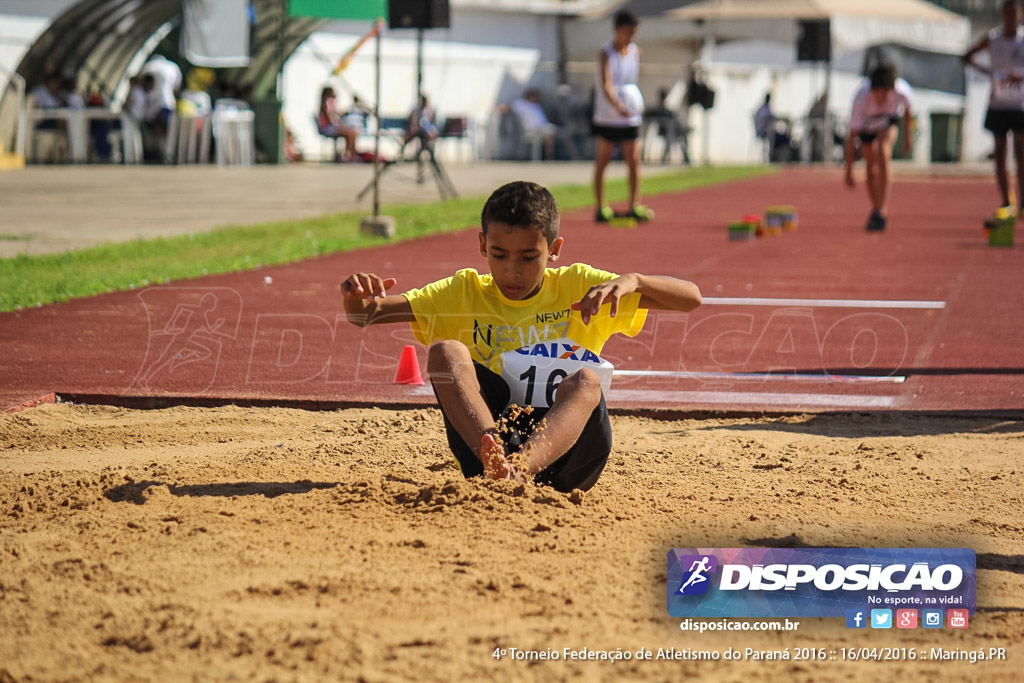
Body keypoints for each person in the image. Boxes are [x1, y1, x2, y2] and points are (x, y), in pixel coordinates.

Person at [339, 181, 702, 492]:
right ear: (482, 245)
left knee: (587, 379)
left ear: (554, 250)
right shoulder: (463, 291)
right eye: (499, 255)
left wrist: (635, 280)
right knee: (446, 352)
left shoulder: (579, 285)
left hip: (570, 458)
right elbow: (365, 316)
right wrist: (354, 293)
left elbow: (692, 299)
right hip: (486, 454)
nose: (512, 271)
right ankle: (496, 456)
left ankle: (519, 470)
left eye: (529, 257)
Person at [963, 0, 1024, 216]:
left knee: (1021, 151)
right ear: (1002, 14)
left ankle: (1023, 202)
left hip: (1020, 105)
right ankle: (1007, 200)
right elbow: (966, 56)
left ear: (1020, 14)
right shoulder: (993, 39)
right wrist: (989, 73)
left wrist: (1020, 77)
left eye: (1014, 13)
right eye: (1007, 13)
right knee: (1000, 152)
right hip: (998, 103)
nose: (1010, 17)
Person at [592, 10, 652, 223]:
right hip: (608, 116)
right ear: (617, 30)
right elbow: (606, 84)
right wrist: (617, 104)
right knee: (603, 160)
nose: (632, 36)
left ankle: (634, 204)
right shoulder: (606, 53)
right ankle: (601, 206)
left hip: (630, 117)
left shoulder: (635, 51)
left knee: (633, 159)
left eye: (634, 32)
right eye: (628, 31)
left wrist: (631, 104)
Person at [843, 64, 914, 231]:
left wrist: (908, 138)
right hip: (867, 126)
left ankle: (882, 210)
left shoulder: (903, 91)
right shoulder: (861, 98)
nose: (881, 98)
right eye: (877, 93)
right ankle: (875, 208)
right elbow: (852, 137)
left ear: (892, 89)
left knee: (883, 152)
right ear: (872, 90)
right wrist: (848, 170)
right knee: (870, 166)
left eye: (885, 93)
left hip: (887, 123)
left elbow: (909, 112)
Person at [511, 88, 556, 160]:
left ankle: (549, 156)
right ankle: (549, 156)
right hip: (531, 130)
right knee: (549, 133)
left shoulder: (536, 106)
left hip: (542, 128)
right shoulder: (522, 104)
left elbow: (544, 121)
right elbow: (510, 107)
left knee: (551, 131)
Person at [317, 86, 358, 162]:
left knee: (353, 133)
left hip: (332, 126)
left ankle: (350, 154)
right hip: (328, 127)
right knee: (350, 133)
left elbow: (334, 115)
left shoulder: (330, 103)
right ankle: (347, 156)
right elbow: (331, 118)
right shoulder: (325, 103)